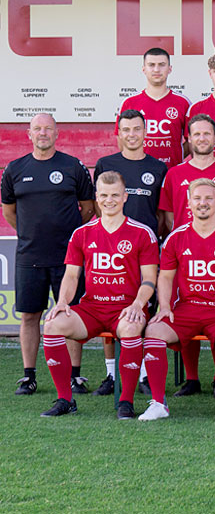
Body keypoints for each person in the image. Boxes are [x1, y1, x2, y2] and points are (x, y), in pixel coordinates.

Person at [38, 171, 158, 419]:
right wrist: (62, 302)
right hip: (92, 308)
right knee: (52, 325)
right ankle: (65, 399)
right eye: (103, 195)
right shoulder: (82, 233)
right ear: (96, 197)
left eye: (115, 195)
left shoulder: (141, 232)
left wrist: (138, 304)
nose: (109, 200)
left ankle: (126, 401)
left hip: (126, 308)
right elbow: (72, 275)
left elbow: (149, 279)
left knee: (131, 328)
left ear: (125, 197)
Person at [138, 179, 215, 422]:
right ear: (188, 203)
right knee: (154, 331)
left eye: (208, 198)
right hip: (186, 310)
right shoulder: (176, 237)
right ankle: (158, 403)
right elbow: (165, 277)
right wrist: (164, 306)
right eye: (197, 198)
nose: (203, 203)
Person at [1, 113, 94, 396]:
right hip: (29, 256)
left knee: (70, 313)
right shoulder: (14, 169)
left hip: (68, 259)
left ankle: (75, 376)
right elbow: (9, 212)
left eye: (48, 129)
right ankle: (29, 376)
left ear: (57, 133)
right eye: (37, 129)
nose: (43, 133)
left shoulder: (73, 166)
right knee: (30, 316)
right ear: (29, 134)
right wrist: (30, 233)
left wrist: (70, 237)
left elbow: (88, 208)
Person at [158, 113, 215, 396]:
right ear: (188, 138)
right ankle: (192, 378)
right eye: (196, 134)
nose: (202, 138)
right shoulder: (174, 173)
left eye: (207, 133)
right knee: (186, 308)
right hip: (186, 250)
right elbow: (169, 217)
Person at [92, 109, 168, 396]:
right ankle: (112, 374)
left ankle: (144, 374)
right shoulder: (106, 164)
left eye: (137, 129)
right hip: (110, 251)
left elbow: (161, 214)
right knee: (108, 306)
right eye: (126, 129)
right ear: (119, 133)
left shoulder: (158, 167)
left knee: (144, 309)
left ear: (145, 132)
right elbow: (98, 206)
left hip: (145, 251)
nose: (132, 134)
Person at [117, 47, 190, 168]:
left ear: (169, 69)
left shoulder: (183, 103)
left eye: (162, 65)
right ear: (144, 69)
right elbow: (121, 140)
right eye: (151, 65)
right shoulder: (129, 103)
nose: (156, 69)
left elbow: (192, 140)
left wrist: (178, 157)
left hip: (171, 172)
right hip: (139, 170)